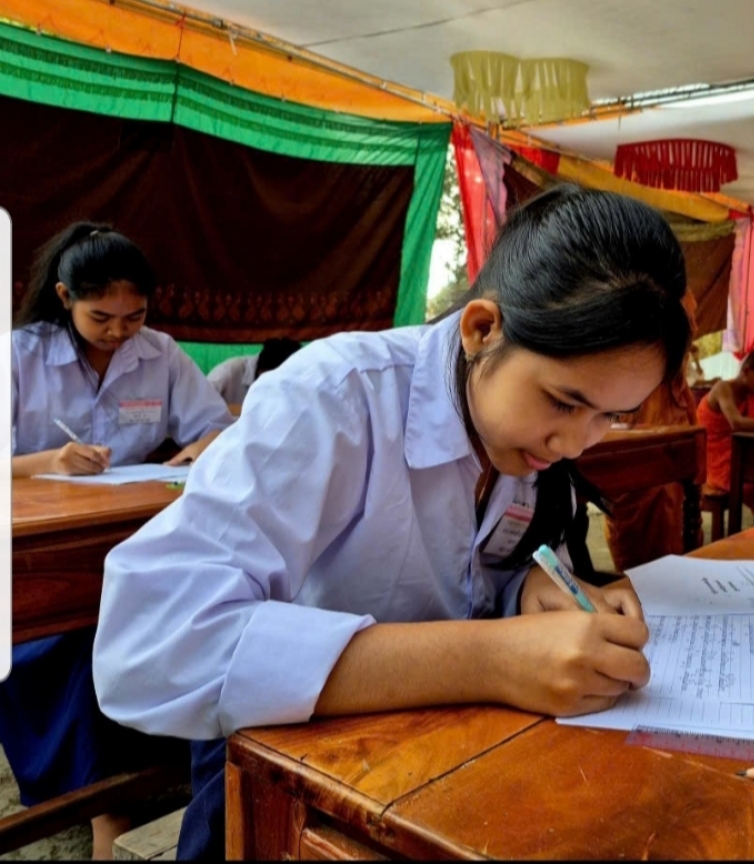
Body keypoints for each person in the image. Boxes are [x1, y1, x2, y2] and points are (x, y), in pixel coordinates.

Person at [92, 185, 692, 859]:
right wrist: (491, 660)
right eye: (563, 402)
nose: (576, 443)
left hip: (450, 762)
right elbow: (150, 643)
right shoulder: (333, 398)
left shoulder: (523, 439)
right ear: (482, 329)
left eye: (611, 416)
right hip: (290, 773)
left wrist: (528, 590)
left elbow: (475, 570)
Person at [6, 223, 234, 858]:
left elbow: (218, 427)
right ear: (64, 297)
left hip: (134, 534)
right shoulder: (20, 356)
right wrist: (48, 461)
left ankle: (160, 773)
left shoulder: (159, 354)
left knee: (175, 619)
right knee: (82, 647)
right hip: (40, 552)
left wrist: (200, 448)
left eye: (134, 317)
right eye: (101, 317)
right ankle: (106, 807)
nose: (118, 332)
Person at [603, 292, 702, 571]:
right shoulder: (634, 301)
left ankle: (669, 579)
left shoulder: (680, 297)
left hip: (671, 417)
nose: (694, 327)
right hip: (639, 415)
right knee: (634, 507)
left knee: (673, 507)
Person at [697, 346, 754, 502]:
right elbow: (737, 423)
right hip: (715, 466)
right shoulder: (723, 388)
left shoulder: (753, 397)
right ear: (746, 370)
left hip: (740, 459)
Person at [206, 337, 303, 406]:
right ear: (261, 368)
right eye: (267, 381)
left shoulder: (297, 379)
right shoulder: (228, 371)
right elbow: (201, 405)